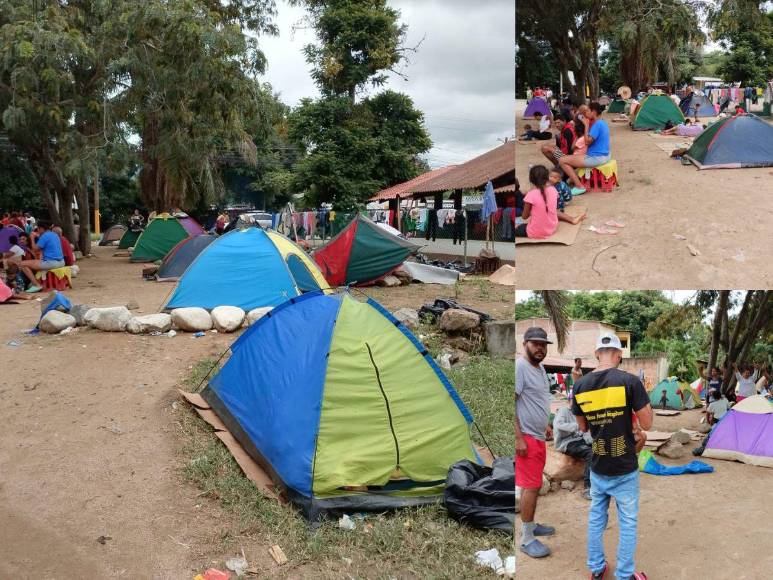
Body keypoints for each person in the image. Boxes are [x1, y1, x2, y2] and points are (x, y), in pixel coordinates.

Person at [572, 333, 653, 580]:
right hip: (624, 466)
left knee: (597, 518)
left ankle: (597, 569)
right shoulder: (629, 382)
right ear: (619, 355)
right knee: (627, 522)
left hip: (598, 466)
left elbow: (583, 427)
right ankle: (624, 575)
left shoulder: (580, 385)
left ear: (597, 354)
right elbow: (647, 423)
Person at [515, 326, 556, 559]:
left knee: (533, 484)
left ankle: (530, 525)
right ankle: (527, 539)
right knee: (531, 486)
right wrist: (518, 437)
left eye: (543, 344)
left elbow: (537, 400)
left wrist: (546, 423)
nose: (540, 348)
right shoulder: (520, 367)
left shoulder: (540, 369)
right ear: (525, 344)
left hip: (538, 436)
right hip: (527, 439)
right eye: (535, 343)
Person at [559, 103, 611, 196]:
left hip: (596, 157)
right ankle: (577, 179)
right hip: (605, 155)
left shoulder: (597, 124)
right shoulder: (603, 123)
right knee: (572, 158)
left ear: (593, 112)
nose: (586, 113)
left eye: (588, 111)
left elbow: (587, 141)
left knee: (562, 160)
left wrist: (586, 125)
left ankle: (579, 186)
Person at [553, 406, 593, 500]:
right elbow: (559, 425)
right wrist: (578, 425)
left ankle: (605, 479)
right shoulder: (564, 410)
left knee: (600, 446)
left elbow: (584, 432)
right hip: (566, 442)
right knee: (590, 453)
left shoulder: (582, 412)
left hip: (579, 439)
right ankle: (588, 487)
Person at [19, 220, 64, 293]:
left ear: (42, 228)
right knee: (35, 262)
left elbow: (35, 249)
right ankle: (38, 282)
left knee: (22, 264)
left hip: (51, 263)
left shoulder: (45, 236)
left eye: (38, 229)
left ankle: (36, 284)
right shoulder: (54, 234)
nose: (38, 230)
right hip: (61, 262)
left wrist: (32, 238)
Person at [515, 165, 558, 240]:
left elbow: (524, 217)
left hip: (536, 232)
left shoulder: (531, 194)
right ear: (547, 178)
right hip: (552, 228)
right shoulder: (553, 189)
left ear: (531, 180)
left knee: (515, 227)